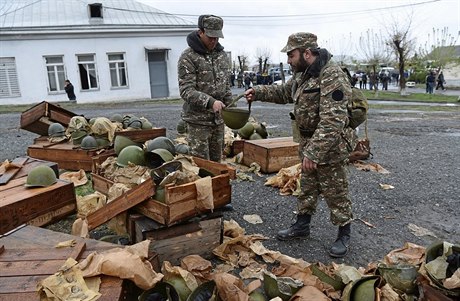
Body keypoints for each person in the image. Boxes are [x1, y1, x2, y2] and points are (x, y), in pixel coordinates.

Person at [244, 32, 356, 258]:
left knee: (335, 190)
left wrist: (314, 153)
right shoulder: (302, 74)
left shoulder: (332, 74)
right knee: (307, 186)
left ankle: (344, 233)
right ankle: (302, 225)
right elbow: (284, 92)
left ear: (307, 53)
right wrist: (258, 92)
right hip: (307, 141)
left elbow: (333, 120)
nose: (288, 60)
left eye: (291, 55)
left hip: (330, 145)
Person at [177, 15, 232, 162]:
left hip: (218, 122)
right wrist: (210, 102)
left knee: (217, 164)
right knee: (201, 167)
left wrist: (232, 108)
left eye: (217, 37)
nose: (214, 41)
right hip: (198, 123)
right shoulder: (188, 57)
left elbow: (226, 86)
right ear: (200, 32)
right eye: (210, 37)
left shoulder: (222, 56)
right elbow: (186, 90)